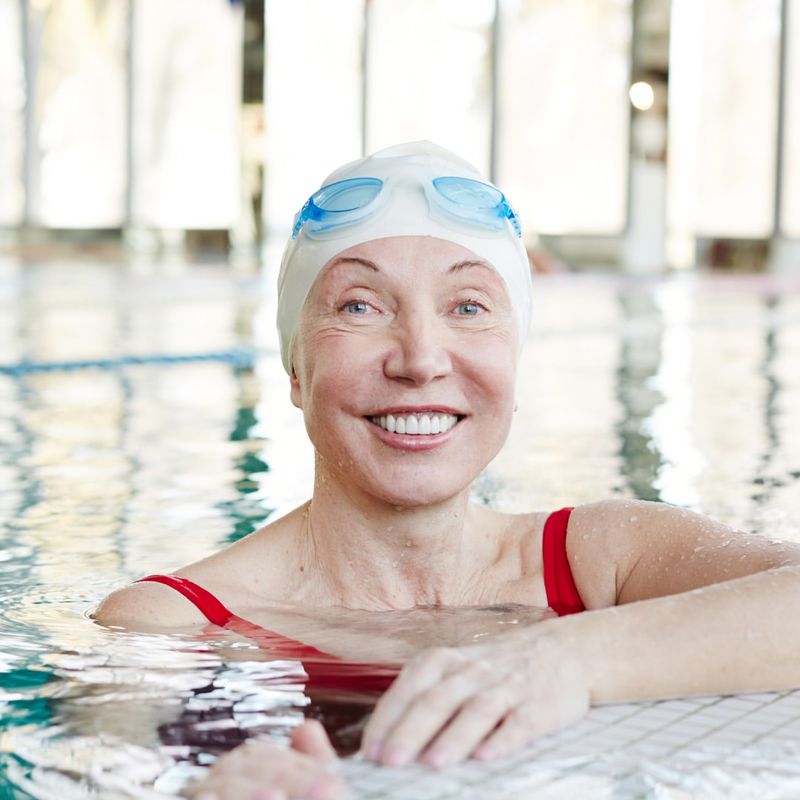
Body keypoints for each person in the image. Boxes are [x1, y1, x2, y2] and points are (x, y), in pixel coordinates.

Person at [95, 142, 800, 800]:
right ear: (295, 370)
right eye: (360, 306)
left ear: (514, 366)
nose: (421, 358)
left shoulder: (604, 558)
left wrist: (568, 660)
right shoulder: (168, 623)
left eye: (468, 307)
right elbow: (111, 765)